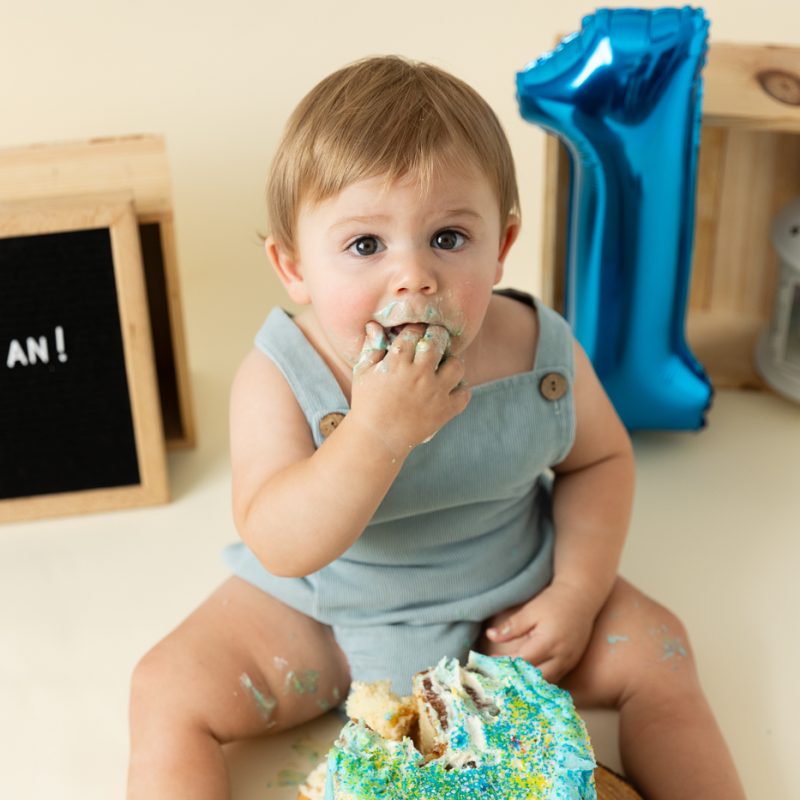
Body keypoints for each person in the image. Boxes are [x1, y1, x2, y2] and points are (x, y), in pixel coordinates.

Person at [127, 56, 746, 800]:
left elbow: (601, 462)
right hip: (324, 614)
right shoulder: (283, 372)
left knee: (663, 650)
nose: (413, 277)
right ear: (293, 267)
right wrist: (377, 432)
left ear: (502, 246)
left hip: (511, 602)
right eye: (365, 246)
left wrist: (577, 595)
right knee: (163, 688)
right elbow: (279, 541)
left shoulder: (535, 347)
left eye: (449, 238)